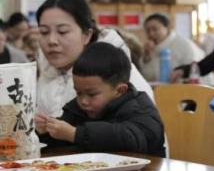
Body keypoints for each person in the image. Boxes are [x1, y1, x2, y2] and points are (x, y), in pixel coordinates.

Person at [36, 0, 154, 118]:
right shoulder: (47, 73)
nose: (51, 41)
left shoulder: (115, 74)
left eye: (62, 31)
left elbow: (139, 127)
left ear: (87, 35)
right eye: (44, 32)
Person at [35, 42, 166, 156]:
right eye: (78, 92)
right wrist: (48, 130)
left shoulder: (140, 109)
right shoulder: (79, 108)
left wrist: (76, 134)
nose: (83, 101)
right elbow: (65, 134)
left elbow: (129, 138)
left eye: (92, 94)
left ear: (120, 90)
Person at [140, 13, 206, 83]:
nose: (151, 34)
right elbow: (146, 77)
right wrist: (146, 55)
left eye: (155, 29)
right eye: (148, 31)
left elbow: (192, 71)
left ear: (168, 28)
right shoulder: (150, 49)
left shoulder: (183, 44)